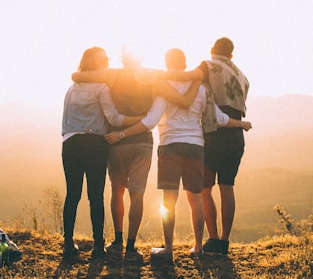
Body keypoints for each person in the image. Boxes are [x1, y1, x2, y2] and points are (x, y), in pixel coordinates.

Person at [104, 48, 252, 260]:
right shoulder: (201, 88)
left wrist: (122, 134)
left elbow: (150, 121)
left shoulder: (164, 87)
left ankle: (168, 249)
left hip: (170, 146)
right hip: (196, 147)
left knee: (169, 200)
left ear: (167, 63)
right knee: (196, 199)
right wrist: (241, 123)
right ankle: (199, 248)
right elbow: (218, 118)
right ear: (184, 65)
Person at [71, 49, 199, 263]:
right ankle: (131, 247)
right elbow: (182, 87)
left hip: (117, 141)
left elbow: (77, 76)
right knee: (137, 194)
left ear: (123, 59)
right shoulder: (153, 76)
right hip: (143, 142)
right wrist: (198, 76)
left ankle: (118, 241)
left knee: (117, 190)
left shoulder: (112, 75)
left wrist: (78, 75)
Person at [157, 37, 250, 255]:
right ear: (232, 55)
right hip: (235, 135)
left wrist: (155, 75)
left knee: (204, 189)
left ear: (212, 50)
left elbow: (187, 77)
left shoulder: (208, 66)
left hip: (214, 133)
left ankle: (212, 239)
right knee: (227, 187)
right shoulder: (242, 75)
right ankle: (224, 242)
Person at [61, 47, 142, 260]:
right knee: (95, 196)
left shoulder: (72, 88)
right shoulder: (101, 87)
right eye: (103, 59)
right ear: (95, 63)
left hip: (70, 143)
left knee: (72, 195)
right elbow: (114, 119)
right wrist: (140, 119)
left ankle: (68, 244)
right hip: (95, 144)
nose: (107, 61)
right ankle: (98, 246)